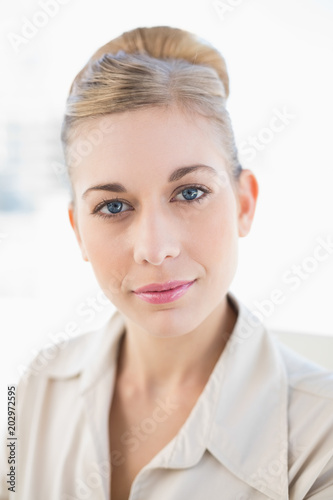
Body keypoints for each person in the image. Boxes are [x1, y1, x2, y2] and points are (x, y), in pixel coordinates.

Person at [1, 25, 333, 500]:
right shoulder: (30, 391)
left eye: (190, 192)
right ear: (78, 231)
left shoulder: (321, 440)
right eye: (113, 207)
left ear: (244, 204)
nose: (155, 250)